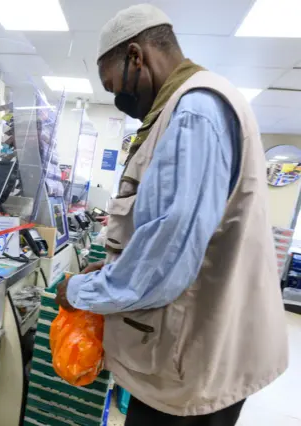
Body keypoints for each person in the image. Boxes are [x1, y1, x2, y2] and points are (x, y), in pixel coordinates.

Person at [55, 4, 287, 426]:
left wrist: (77, 292)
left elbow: (164, 264)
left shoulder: (195, 114)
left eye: (113, 86)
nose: (117, 99)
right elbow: (170, 232)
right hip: (198, 356)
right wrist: (111, 266)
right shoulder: (185, 110)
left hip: (194, 364)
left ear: (136, 57)